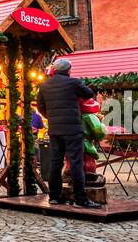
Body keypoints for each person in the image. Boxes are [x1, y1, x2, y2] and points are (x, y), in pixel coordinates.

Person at [36, 59, 98, 208]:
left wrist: (51, 118)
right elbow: (89, 94)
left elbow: (40, 106)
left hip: (55, 130)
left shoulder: (44, 86)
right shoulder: (74, 83)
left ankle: (54, 197)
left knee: (55, 163)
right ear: (69, 70)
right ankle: (80, 199)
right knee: (76, 162)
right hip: (73, 130)